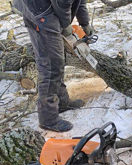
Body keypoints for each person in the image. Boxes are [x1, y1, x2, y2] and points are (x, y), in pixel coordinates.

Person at [13, 0, 94, 132]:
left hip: (45, 7)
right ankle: (48, 118)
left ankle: (61, 102)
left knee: (57, 59)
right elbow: (63, 2)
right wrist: (65, 24)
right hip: (40, 10)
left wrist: (84, 22)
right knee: (50, 64)